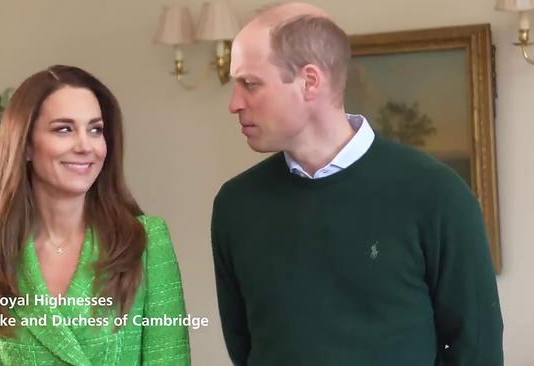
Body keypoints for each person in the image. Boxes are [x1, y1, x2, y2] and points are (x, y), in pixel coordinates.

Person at [211, 3, 503, 365]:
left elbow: (477, 348)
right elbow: (245, 346)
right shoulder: (236, 205)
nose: (234, 103)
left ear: (310, 82)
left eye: (250, 84)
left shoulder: (437, 194)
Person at [0, 65, 190, 365]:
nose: (85, 146)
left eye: (95, 129)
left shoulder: (146, 242)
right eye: (64, 129)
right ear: (26, 146)